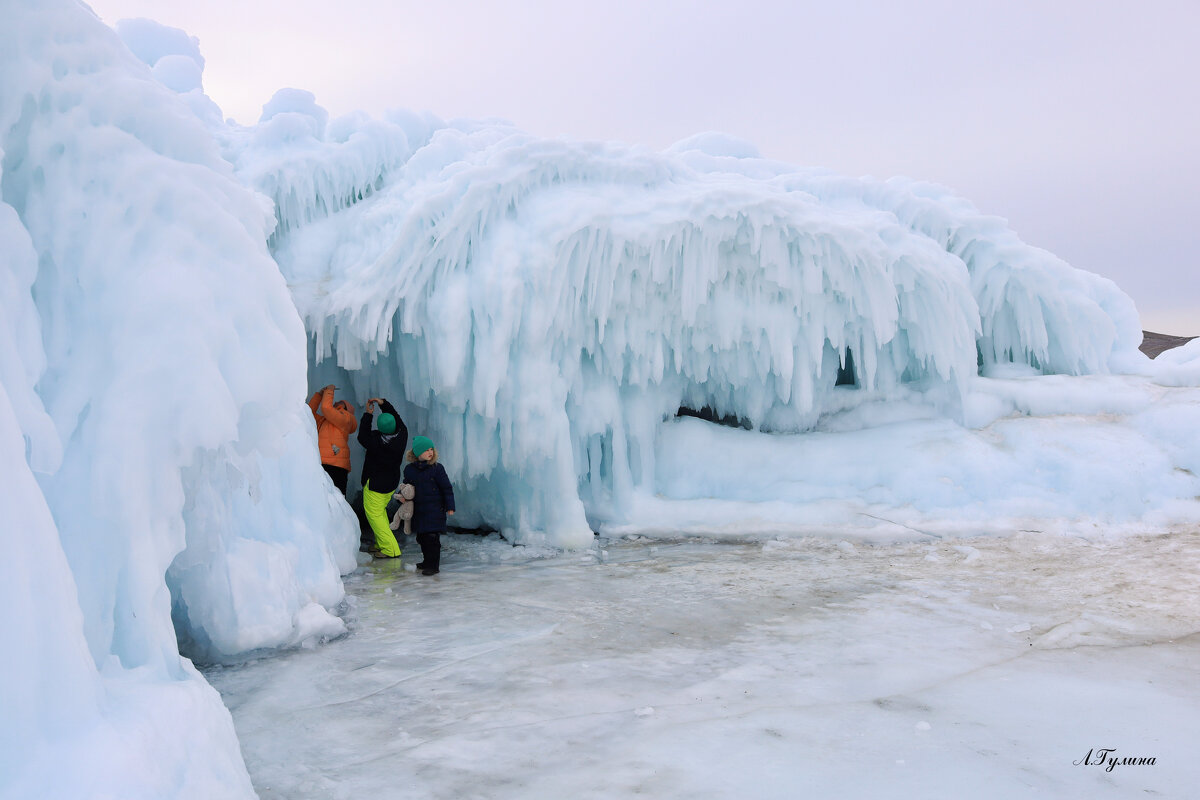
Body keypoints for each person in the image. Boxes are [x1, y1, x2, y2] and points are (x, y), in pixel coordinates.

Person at [357, 397, 408, 558]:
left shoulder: (376, 442)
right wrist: (384, 404)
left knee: (375, 515)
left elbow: (362, 436)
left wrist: (368, 414)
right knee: (380, 513)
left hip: (376, 485)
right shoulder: (402, 435)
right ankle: (380, 543)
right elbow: (396, 417)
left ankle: (390, 549)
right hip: (390, 483)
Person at [400, 435, 455, 575]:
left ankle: (433, 565)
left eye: (431, 449)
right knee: (422, 538)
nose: (430, 452)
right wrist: (401, 498)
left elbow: (446, 488)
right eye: (426, 450)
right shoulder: (410, 470)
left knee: (432, 539)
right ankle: (426, 561)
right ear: (418, 453)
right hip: (419, 510)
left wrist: (450, 506)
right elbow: (406, 488)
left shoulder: (437, 468)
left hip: (435, 510)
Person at [307, 385, 357, 495]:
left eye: (340, 402)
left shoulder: (346, 418)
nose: (336, 402)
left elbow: (326, 408)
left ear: (345, 408)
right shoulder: (325, 421)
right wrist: (319, 395)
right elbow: (308, 413)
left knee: (336, 499)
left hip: (336, 467)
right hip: (323, 464)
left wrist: (329, 391)